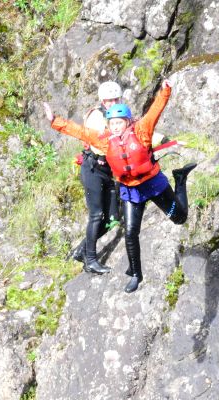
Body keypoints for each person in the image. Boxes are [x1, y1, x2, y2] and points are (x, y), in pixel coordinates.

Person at [44, 79, 196, 293]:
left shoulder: (141, 131)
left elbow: (155, 110)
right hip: (131, 191)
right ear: (109, 125)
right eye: (112, 124)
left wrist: (166, 89)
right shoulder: (106, 141)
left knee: (180, 218)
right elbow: (80, 132)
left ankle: (180, 179)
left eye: (119, 123)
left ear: (127, 121)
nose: (116, 127)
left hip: (154, 185)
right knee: (131, 232)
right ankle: (135, 274)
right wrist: (54, 121)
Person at [68, 81, 123, 274]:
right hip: (92, 168)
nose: (112, 103)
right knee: (97, 215)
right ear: (102, 101)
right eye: (109, 100)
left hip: (107, 172)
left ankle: (81, 250)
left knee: (112, 218)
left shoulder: (120, 116)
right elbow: (99, 141)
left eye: (115, 99)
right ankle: (90, 260)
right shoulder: (96, 116)